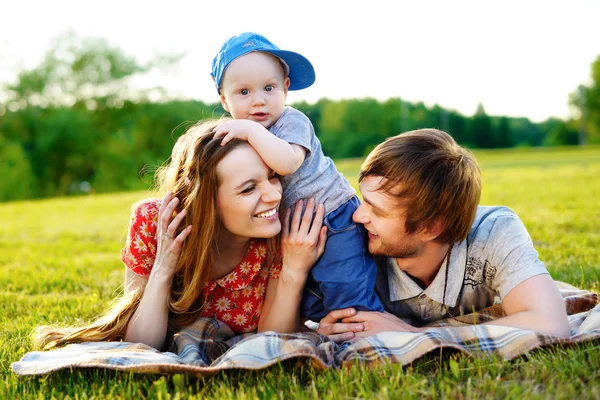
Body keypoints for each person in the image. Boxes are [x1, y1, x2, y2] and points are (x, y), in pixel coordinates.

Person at [33, 118, 327, 351]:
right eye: (249, 188)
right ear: (207, 203)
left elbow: (272, 339)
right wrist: (164, 266)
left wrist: (293, 272)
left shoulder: (279, 229)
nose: (273, 195)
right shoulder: (155, 223)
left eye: (272, 177)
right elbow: (140, 344)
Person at [315, 128, 570, 342]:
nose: (358, 217)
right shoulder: (351, 242)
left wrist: (415, 334)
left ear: (430, 228)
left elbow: (551, 323)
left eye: (378, 211)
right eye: (363, 200)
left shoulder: (494, 232)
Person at [210, 31, 384, 321]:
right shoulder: (240, 135)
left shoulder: (292, 121)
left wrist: (250, 131)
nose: (258, 102)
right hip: (297, 226)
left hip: (334, 217)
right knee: (311, 300)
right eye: (244, 92)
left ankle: (364, 331)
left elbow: (288, 162)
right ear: (225, 101)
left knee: (345, 288)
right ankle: (332, 328)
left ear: (286, 88)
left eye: (269, 88)